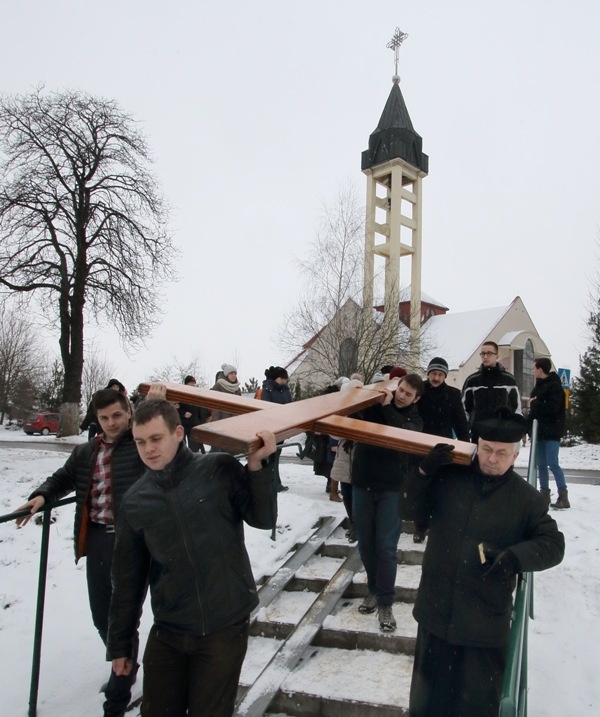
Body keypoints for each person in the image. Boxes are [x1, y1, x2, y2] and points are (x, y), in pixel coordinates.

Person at [107, 392, 277, 717]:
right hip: (170, 629)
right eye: (140, 442)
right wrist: (120, 644)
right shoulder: (135, 501)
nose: (149, 449)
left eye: (156, 438)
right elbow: (127, 581)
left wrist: (259, 467)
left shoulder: (218, 469)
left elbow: (263, 517)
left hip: (223, 627)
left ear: (178, 433)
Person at [401, 410, 565, 717]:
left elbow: (554, 545)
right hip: (435, 616)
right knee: (426, 708)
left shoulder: (526, 499)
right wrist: (423, 472)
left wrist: (514, 557)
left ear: (515, 455)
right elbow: (409, 509)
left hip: (483, 628)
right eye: (487, 449)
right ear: (477, 445)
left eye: (502, 453)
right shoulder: (450, 478)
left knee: (475, 710)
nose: (492, 459)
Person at [15, 388, 144, 717]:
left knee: (123, 618)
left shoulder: (141, 446)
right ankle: (124, 662)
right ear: (97, 419)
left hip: (132, 542)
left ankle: (118, 691)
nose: (112, 423)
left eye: (117, 415)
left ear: (128, 413)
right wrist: (42, 496)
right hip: (99, 539)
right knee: (102, 616)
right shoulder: (88, 451)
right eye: (104, 418)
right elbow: (63, 478)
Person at [351, 373, 424, 632]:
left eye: (408, 394)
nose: (402, 396)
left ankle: (385, 602)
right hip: (362, 482)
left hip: (392, 489)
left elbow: (403, 435)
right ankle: (373, 589)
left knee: (386, 547)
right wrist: (355, 393)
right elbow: (351, 416)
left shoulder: (414, 419)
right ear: (396, 386)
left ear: (416, 398)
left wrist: (387, 407)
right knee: (366, 545)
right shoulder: (376, 404)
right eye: (401, 390)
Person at [412, 357, 470, 543]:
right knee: (420, 489)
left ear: (445, 376)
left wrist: (466, 448)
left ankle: (439, 527)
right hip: (419, 447)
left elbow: (461, 423)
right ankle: (420, 527)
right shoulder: (418, 390)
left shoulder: (453, 394)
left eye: (440, 374)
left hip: (443, 449)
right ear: (428, 373)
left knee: (441, 490)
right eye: (433, 373)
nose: (436, 378)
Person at [462, 341, 521, 442]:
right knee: (479, 458)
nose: (485, 356)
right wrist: (466, 428)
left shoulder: (508, 380)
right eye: (483, 354)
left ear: (497, 356)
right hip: (479, 433)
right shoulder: (472, 380)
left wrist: (515, 429)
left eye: (489, 353)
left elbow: (516, 408)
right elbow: (464, 408)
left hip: (503, 433)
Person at [529, 357, 569, 508]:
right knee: (541, 465)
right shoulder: (537, 388)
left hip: (552, 432)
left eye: (534, 368)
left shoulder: (555, 387)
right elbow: (533, 411)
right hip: (539, 432)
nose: (533, 371)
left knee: (553, 463)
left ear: (540, 369)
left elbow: (552, 408)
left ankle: (563, 496)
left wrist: (536, 403)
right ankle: (544, 494)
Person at [260, 366, 292, 491]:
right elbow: (265, 408)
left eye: (285, 378)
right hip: (271, 427)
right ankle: (270, 482)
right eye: (282, 378)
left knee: (276, 456)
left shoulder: (285, 390)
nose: (284, 381)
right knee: (270, 456)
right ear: (275, 378)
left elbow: (290, 404)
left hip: (282, 426)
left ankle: (274, 481)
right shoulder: (267, 389)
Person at [209, 363, 242, 453]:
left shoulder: (237, 388)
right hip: (221, 419)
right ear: (227, 374)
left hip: (234, 421)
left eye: (235, 373)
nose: (234, 375)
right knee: (218, 447)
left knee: (232, 448)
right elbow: (215, 405)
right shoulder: (219, 386)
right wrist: (217, 422)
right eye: (231, 373)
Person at [177, 375, 210, 454]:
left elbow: (202, 408)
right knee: (182, 445)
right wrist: (184, 413)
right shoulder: (181, 394)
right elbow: (176, 407)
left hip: (194, 424)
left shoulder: (197, 395)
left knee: (194, 447)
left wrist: (206, 417)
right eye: (190, 383)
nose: (192, 384)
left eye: (193, 383)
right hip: (183, 423)